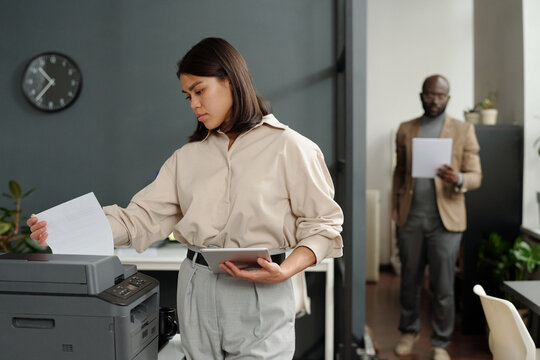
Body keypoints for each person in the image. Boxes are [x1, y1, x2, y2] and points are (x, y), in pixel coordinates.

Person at [27, 37, 343, 359]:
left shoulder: (292, 148)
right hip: (196, 286)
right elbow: (140, 219)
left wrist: (287, 270)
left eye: (199, 90)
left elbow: (324, 226)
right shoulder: (187, 158)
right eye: (187, 95)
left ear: (231, 82)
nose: (193, 104)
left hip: (260, 287)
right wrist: (64, 230)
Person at [391, 75, 482, 360]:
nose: (434, 100)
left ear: (448, 98)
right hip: (411, 219)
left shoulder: (464, 129)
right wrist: (396, 211)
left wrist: (458, 179)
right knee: (409, 280)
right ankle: (408, 331)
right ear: (421, 95)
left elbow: (477, 175)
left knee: (443, 286)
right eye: (430, 95)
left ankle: (440, 343)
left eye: (440, 96)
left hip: (447, 222)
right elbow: (399, 174)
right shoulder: (406, 129)